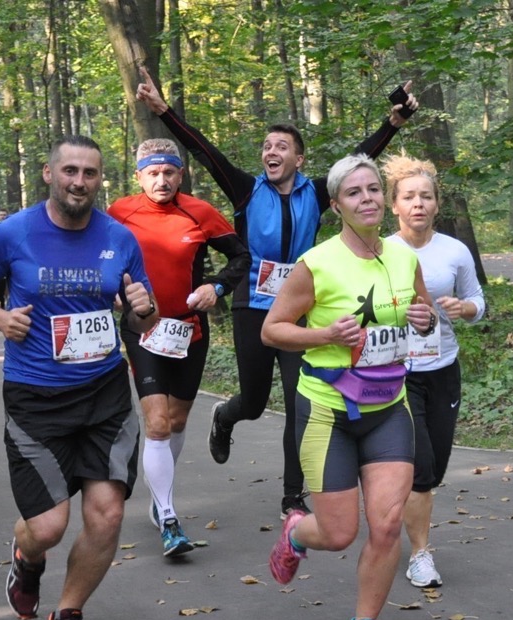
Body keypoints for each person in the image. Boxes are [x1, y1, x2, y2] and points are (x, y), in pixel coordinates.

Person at [137, 67, 418, 519]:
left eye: (281, 146)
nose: (271, 151)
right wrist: (163, 110)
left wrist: (393, 123)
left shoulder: (316, 193)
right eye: (267, 146)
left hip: (298, 310)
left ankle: (292, 496)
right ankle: (226, 416)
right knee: (253, 401)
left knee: (296, 402)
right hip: (252, 307)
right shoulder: (247, 190)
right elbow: (204, 151)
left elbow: (356, 161)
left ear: (299, 159)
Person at [0, 135, 159, 620]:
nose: (79, 182)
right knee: (47, 527)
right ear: (49, 173)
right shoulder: (13, 233)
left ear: (100, 179)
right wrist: (1, 318)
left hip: (105, 395)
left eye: (90, 173)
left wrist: (143, 308)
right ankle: (27, 558)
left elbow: (143, 318)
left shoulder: (119, 237)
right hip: (36, 398)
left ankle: (67, 615)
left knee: (107, 515)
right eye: (70, 171)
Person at [260, 155, 436, 620]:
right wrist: (324, 335)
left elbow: (421, 314)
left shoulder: (403, 259)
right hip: (327, 410)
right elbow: (273, 330)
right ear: (336, 205)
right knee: (338, 533)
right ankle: (296, 531)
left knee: (387, 525)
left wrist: (424, 320)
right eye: (354, 192)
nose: (367, 199)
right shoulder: (316, 264)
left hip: (389, 408)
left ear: (385, 197)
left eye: (373, 189)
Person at [108, 139, 250, 557]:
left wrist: (217, 286)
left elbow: (241, 257)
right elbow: (97, 255)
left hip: (189, 330)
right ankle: (168, 516)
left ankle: (161, 492)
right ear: (138, 176)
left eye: (169, 172)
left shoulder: (199, 212)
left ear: (181, 174)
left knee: (176, 420)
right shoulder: (119, 212)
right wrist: (111, 289)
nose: (162, 180)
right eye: (153, 173)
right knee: (156, 423)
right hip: (142, 327)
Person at [382, 153, 485, 588]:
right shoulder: (381, 252)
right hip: (397, 374)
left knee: (435, 468)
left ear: (437, 204)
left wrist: (465, 309)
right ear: (394, 205)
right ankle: (420, 555)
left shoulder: (454, 251)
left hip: (443, 369)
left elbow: (478, 301)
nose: (418, 204)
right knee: (420, 468)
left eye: (426, 196)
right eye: (409, 197)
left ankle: (399, 505)